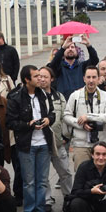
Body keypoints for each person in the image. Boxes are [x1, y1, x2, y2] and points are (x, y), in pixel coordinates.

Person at [7, 65, 55, 212]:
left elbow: (52, 113)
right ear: (27, 80)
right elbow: (10, 122)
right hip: (26, 145)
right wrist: (29, 124)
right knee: (29, 181)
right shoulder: (16, 97)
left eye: (41, 75)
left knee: (42, 180)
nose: (40, 79)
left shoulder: (44, 95)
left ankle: (40, 211)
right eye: (36, 76)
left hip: (44, 143)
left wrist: (48, 119)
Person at [64, 65, 106, 168]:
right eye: (88, 77)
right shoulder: (75, 96)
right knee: (82, 175)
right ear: (84, 78)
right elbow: (66, 116)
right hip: (81, 144)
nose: (91, 80)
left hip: (100, 144)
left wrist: (89, 117)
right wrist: (81, 124)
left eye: (94, 77)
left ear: (98, 78)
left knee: (100, 175)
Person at [37, 66, 74, 204]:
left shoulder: (59, 97)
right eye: (40, 76)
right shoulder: (34, 97)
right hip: (41, 143)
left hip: (58, 143)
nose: (42, 79)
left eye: (45, 77)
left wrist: (66, 137)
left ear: (51, 79)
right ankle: (47, 199)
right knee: (42, 174)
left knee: (65, 172)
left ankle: (69, 197)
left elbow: (65, 117)